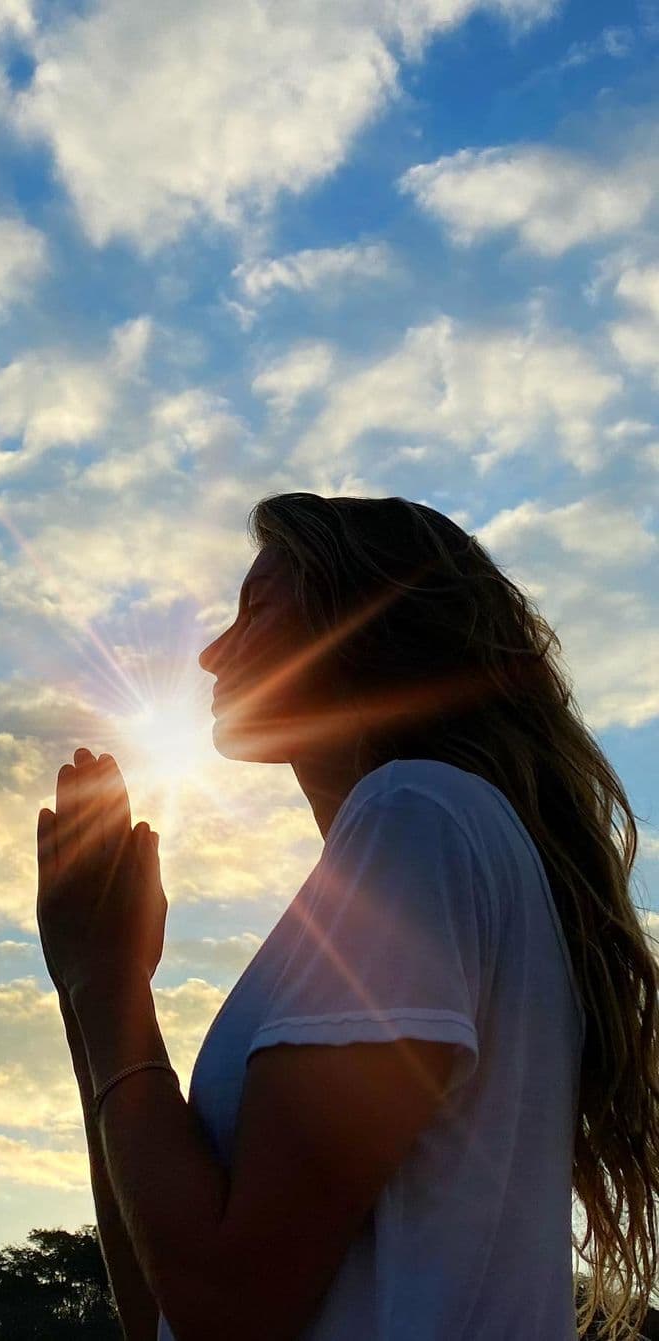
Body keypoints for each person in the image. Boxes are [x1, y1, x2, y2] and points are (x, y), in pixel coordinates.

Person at [39, 492, 657, 1340]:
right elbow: (168, 1310)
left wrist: (108, 983)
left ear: (365, 620)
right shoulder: (413, 845)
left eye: (257, 608)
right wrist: (92, 989)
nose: (214, 653)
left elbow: (234, 1309)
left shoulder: (419, 812)